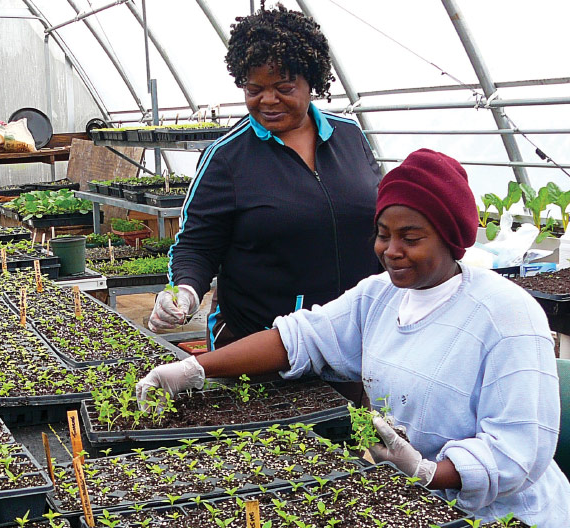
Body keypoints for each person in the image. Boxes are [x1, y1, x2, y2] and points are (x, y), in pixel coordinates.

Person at [137, 148, 570, 526]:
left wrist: (428, 472)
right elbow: (299, 338)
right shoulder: (379, 295)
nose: (391, 250)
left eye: (411, 237)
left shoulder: (506, 316)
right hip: (410, 501)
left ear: (452, 238)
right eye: (383, 235)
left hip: (499, 514)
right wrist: (195, 368)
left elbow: (517, 449)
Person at [148, 4, 382, 361]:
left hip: (355, 337)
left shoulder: (349, 137)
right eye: (254, 89)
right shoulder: (227, 156)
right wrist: (185, 291)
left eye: (284, 87)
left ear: (312, 82)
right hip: (260, 344)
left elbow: (380, 218)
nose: (268, 100)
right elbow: (197, 245)